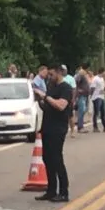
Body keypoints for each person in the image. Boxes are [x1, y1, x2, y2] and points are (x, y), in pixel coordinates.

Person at [33, 64, 73, 202]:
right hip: (47, 127)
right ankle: (51, 190)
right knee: (47, 159)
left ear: (58, 73)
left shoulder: (66, 88)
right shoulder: (51, 86)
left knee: (57, 159)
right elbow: (48, 107)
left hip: (58, 128)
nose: (49, 77)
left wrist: (46, 97)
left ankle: (63, 191)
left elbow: (61, 106)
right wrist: (40, 100)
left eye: (51, 74)